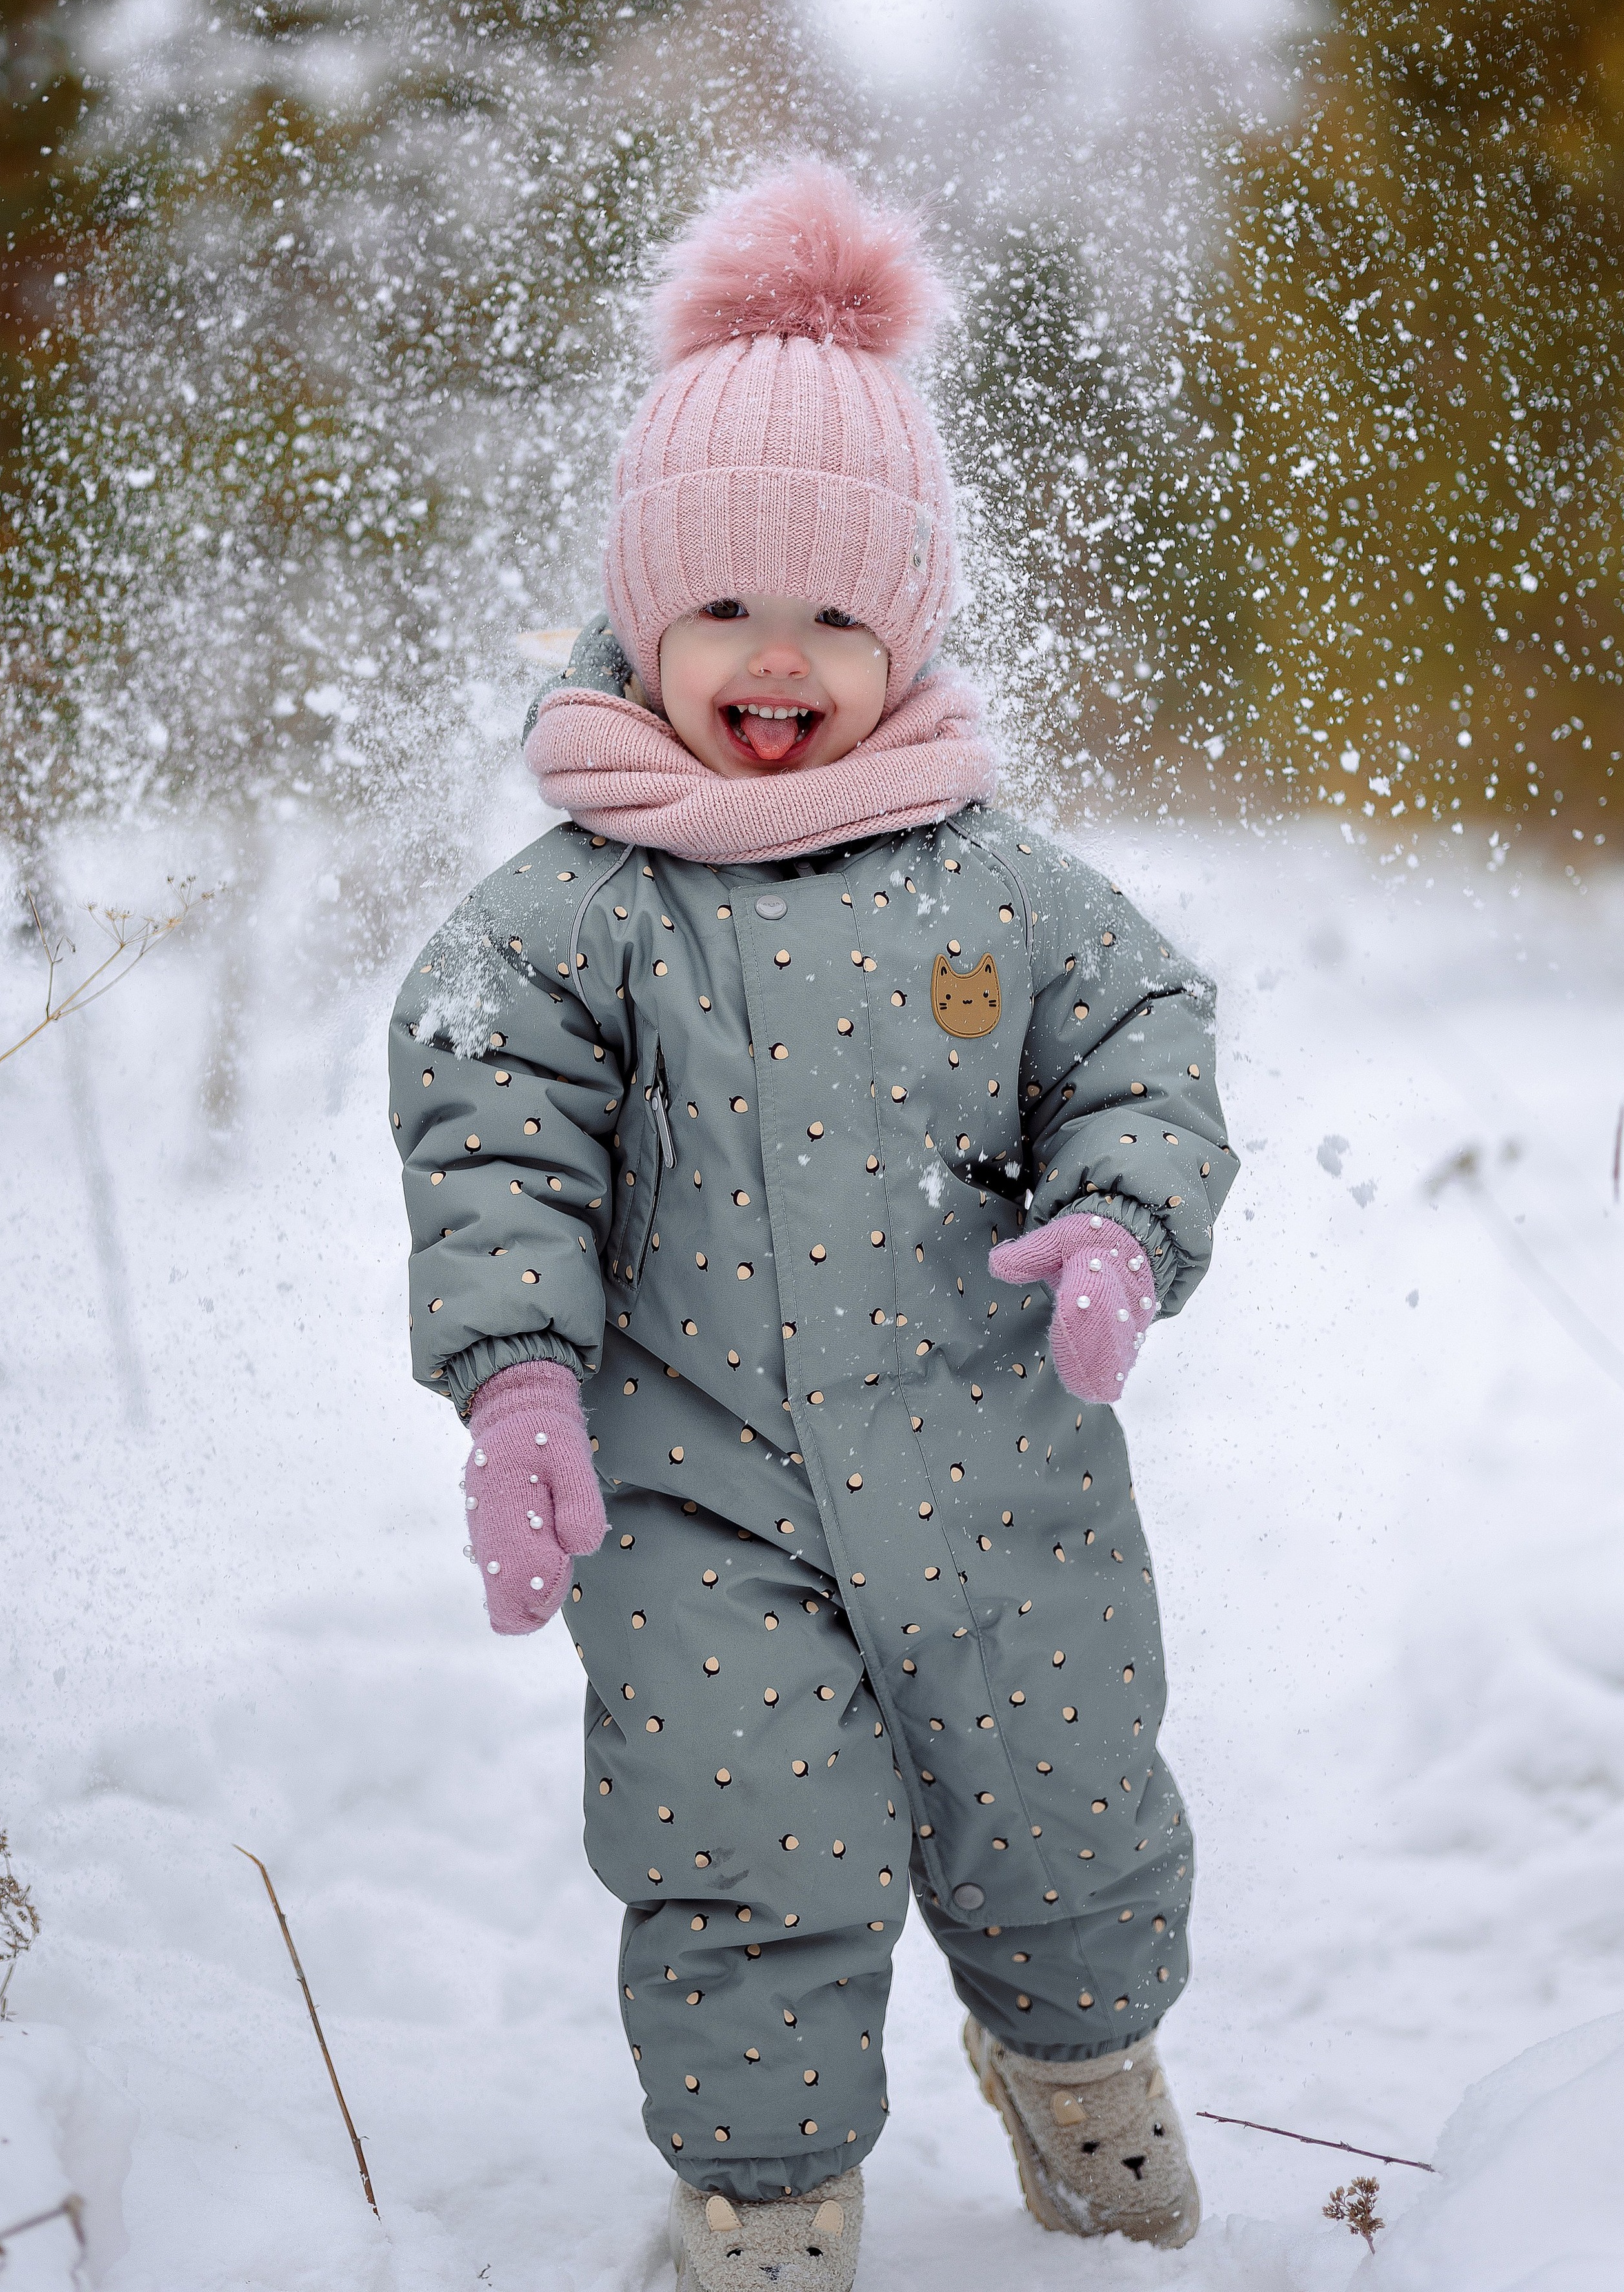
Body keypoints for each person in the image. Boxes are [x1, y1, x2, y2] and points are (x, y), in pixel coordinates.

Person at [389, 163, 1238, 2291]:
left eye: (841, 617)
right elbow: (493, 1140)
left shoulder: (1000, 885)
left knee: (1064, 1808)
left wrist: (1126, 1220)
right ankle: (768, 2208)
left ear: (913, 628)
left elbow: (1145, 1042)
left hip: (995, 1468)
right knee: (741, 1851)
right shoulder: (569, 916)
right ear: (642, 615)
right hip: (689, 1496)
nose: (781, 660)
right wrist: (515, 1384)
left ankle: (1083, 2082)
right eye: (728, 612)